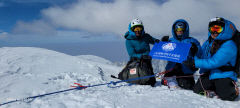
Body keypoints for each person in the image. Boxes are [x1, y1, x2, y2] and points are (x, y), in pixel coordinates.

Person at [183, 17, 239, 101]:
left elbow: (214, 62)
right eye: (212, 28)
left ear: (225, 29)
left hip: (224, 74)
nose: (214, 32)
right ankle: (215, 89)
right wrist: (194, 52)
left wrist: (195, 62)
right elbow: (202, 56)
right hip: (209, 73)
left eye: (218, 29)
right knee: (197, 90)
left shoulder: (229, 45)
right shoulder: (209, 41)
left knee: (227, 96)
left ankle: (234, 89)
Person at [161, 19, 201, 90]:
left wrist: (195, 52)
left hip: (186, 69)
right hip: (172, 68)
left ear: (185, 30)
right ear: (175, 30)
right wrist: (162, 44)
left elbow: (200, 54)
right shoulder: (171, 41)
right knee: (168, 79)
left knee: (187, 86)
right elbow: (162, 53)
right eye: (177, 30)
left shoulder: (192, 41)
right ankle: (167, 80)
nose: (179, 32)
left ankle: (173, 81)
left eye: (181, 29)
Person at [124, 18, 160, 86]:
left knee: (152, 81)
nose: (138, 31)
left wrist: (159, 41)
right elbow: (132, 54)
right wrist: (143, 56)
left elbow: (154, 41)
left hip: (147, 61)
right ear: (131, 29)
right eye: (135, 29)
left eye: (139, 28)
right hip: (136, 62)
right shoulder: (129, 40)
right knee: (146, 81)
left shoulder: (146, 36)